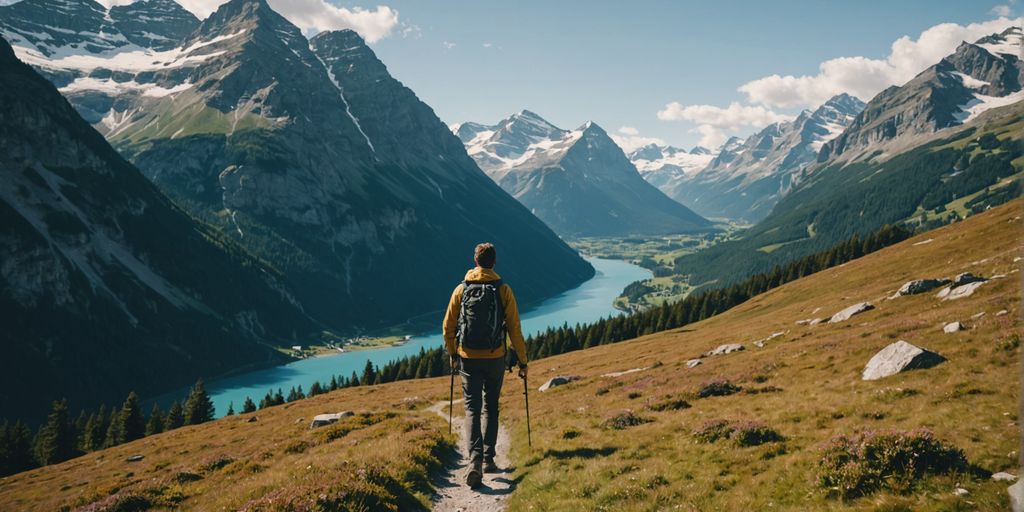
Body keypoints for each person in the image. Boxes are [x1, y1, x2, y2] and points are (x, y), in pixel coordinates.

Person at [443, 242, 528, 488]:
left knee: (471, 408)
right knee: (491, 407)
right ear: (494, 261)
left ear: (475, 260)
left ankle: (474, 459)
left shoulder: (461, 289)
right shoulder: (503, 290)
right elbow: (514, 328)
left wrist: (452, 353)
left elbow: (448, 326)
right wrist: (522, 361)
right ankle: (489, 458)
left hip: (468, 357)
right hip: (495, 357)